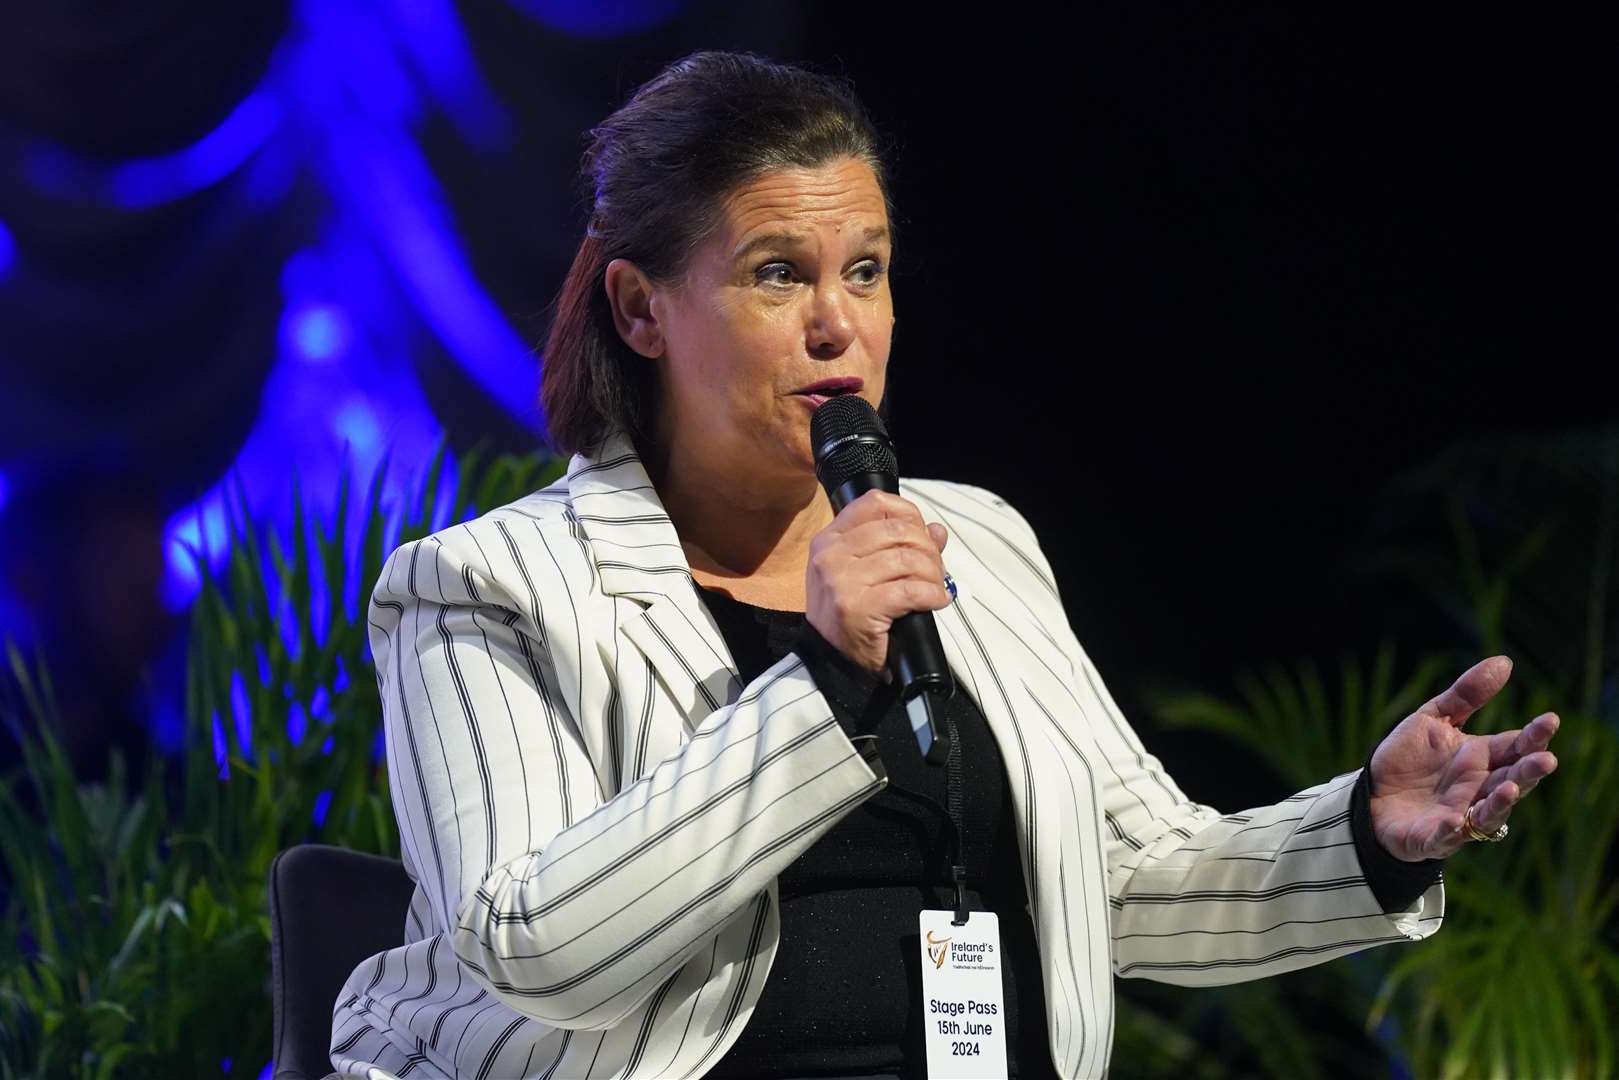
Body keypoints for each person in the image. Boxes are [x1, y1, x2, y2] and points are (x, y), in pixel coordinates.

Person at [327, 50, 1562, 1080]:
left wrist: (1361, 835)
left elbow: (1127, 881)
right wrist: (824, 688)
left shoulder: (969, 542)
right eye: (776, 273)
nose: (837, 322)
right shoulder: (488, 585)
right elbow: (537, 950)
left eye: (863, 270)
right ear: (641, 311)